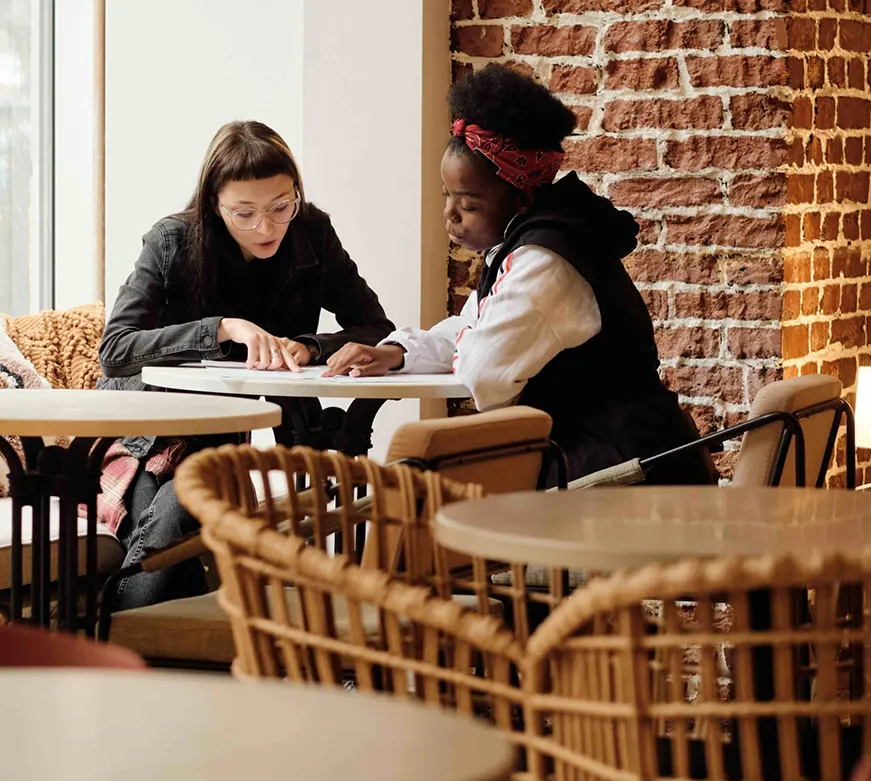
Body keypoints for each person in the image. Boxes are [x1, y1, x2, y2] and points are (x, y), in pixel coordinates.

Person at [325, 65, 713, 487]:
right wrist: (399, 351)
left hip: (625, 471)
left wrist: (475, 339)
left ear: (521, 194)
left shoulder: (544, 262)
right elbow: (476, 327)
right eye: (447, 196)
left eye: (468, 204)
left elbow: (481, 368)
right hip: (616, 454)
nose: (449, 213)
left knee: (426, 502)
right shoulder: (539, 239)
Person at [96, 120, 394, 608]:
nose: (266, 227)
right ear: (215, 205)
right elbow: (116, 350)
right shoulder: (171, 241)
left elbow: (375, 325)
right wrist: (221, 329)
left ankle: (109, 648)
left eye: (281, 206)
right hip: (150, 428)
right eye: (244, 213)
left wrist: (309, 346)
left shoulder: (312, 233)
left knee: (178, 521)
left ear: (296, 192)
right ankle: (131, 650)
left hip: (238, 432)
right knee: (173, 519)